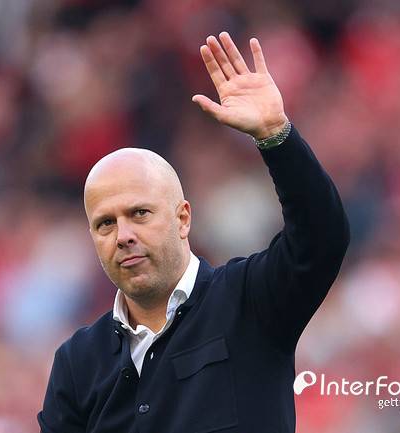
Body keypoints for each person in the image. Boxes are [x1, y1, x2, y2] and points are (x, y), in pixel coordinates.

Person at [37, 31, 349, 433]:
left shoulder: (250, 300)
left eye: (140, 213)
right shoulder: (77, 362)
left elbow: (322, 237)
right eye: (106, 223)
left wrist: (276, 135)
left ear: (183, 219)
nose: (123, 235)